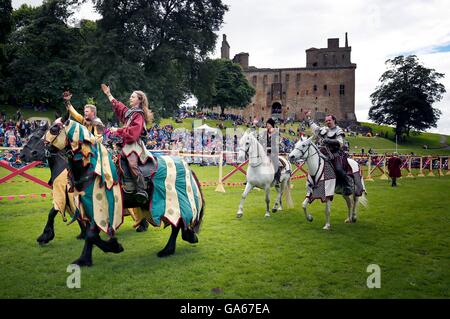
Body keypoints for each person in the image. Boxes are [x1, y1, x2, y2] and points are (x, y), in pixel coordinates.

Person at [101, 83, 153, 203]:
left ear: (139, 100)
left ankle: (141, 190)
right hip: (125, 144)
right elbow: (120, 107)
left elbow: (133, 134)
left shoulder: (139, 115)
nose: (130, 98)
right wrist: (109, 94)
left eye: (133, 97)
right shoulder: (131, 113)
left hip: (134, 145)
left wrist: (117, 130)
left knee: (132, 163)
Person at [305, 110, 352, 195]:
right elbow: (315, 127)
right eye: (326, 121)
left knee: (338, 168)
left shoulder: (338, 130)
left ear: (334, 120)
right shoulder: (324, 130)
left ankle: (347, 185)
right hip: (324, 153)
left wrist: (329, 140)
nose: (327, 122)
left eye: (329, 120)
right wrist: (308, 118)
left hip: (336, 153)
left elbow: (340, 142)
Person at [265, 117, 281, 184]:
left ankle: (277, 179)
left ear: (272, 125)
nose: (267, 125)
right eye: (267, 124)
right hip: (265, 152)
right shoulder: (265, 133)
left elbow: (277, 144)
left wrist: (270, 148)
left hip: (273, 152)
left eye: (268, 124)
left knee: (275, 162)